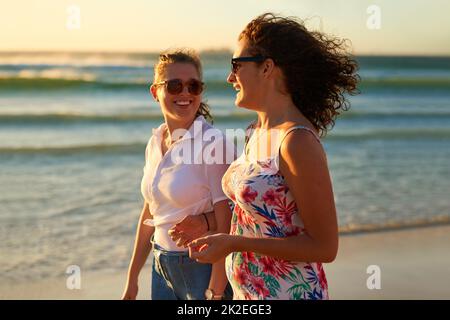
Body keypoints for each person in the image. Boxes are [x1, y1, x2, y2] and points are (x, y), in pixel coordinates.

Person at [188, 13, 359, 300]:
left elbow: (325, 247)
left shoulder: (297, 141)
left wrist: (234, 243)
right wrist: (208, 225)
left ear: (267, 68)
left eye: (236, 65)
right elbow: (257, 217)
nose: (230, 77)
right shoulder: (256, 131)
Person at [122, 49, 235, 300]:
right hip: (160, 265)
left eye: (193, 86)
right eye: (175, 85)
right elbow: (150, 212)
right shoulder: (155, 142)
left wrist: (215, 290)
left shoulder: (213, 144)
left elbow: (228, 221)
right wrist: (132, 279)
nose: (185, 93)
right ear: (155, 92)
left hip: (200, 268)